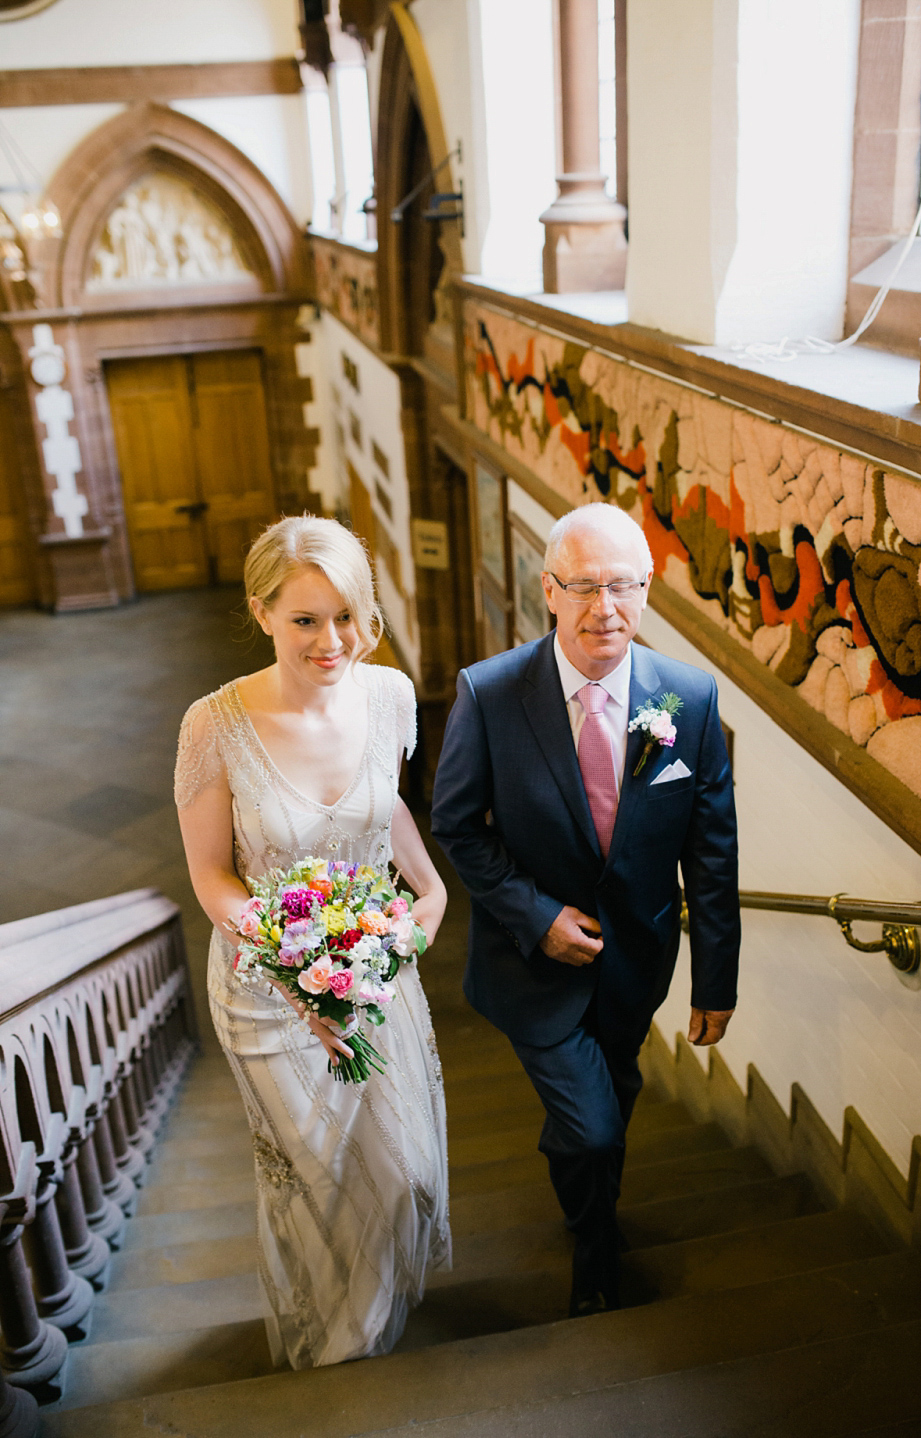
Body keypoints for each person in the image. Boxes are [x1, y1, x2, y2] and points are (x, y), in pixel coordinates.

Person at [431, 502, 739, 1317]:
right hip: (531, 967)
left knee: (614, 1100)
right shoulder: (491, 694)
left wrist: (717, 982)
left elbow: (711, 854)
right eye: (588, 587)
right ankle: (593, 1250)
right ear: (550, 591)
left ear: (647, 589)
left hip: (636, 964)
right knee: (597, 1129)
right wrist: (536, 916)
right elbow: (457, 825)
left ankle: (588, 1194)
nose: (608, 608)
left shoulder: (688, 699)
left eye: (626, 587)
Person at [175, 515, 450, 1368]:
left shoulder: (391, 694)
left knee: (403, 1171)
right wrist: (298, 975)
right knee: (321, 1179)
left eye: (346, 616)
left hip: (371, 969)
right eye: (304, 620)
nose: (332, 641)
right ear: (261, 613)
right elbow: (213, 877)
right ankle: (339, 1339)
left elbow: (382, 802)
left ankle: (377, 1305)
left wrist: (427, 888)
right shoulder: (212, 725)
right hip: (267, 989)